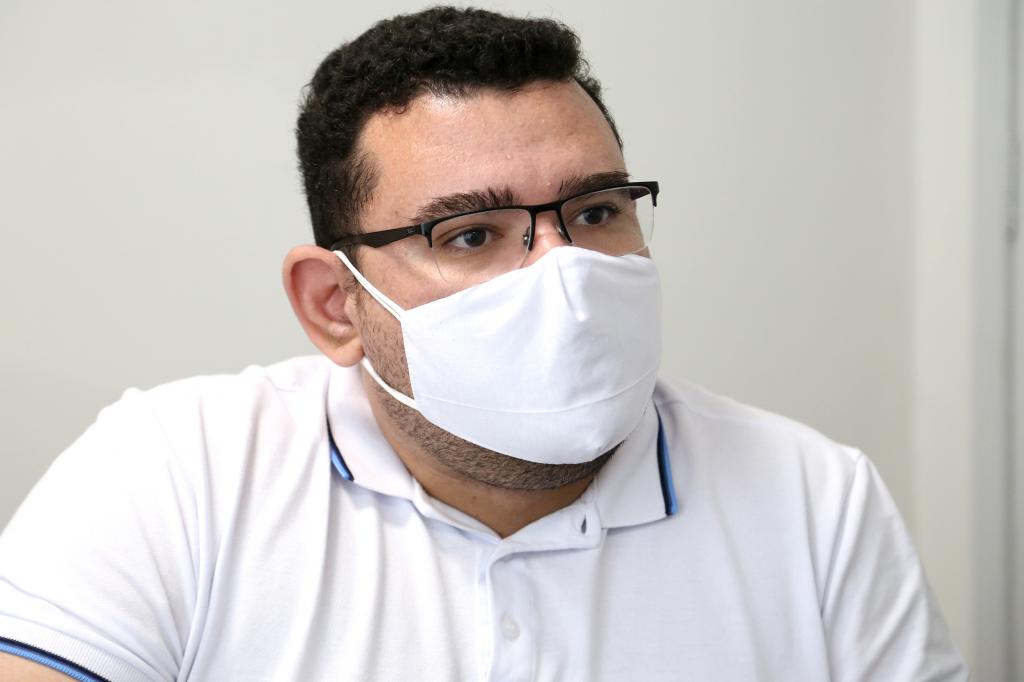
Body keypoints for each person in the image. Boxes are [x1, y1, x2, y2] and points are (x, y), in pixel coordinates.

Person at [0, 6, 966, 681]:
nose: (564, 274)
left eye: (596, 211)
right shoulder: (176, 475)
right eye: (469, 235)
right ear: (335, 305)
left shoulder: (817, 501)